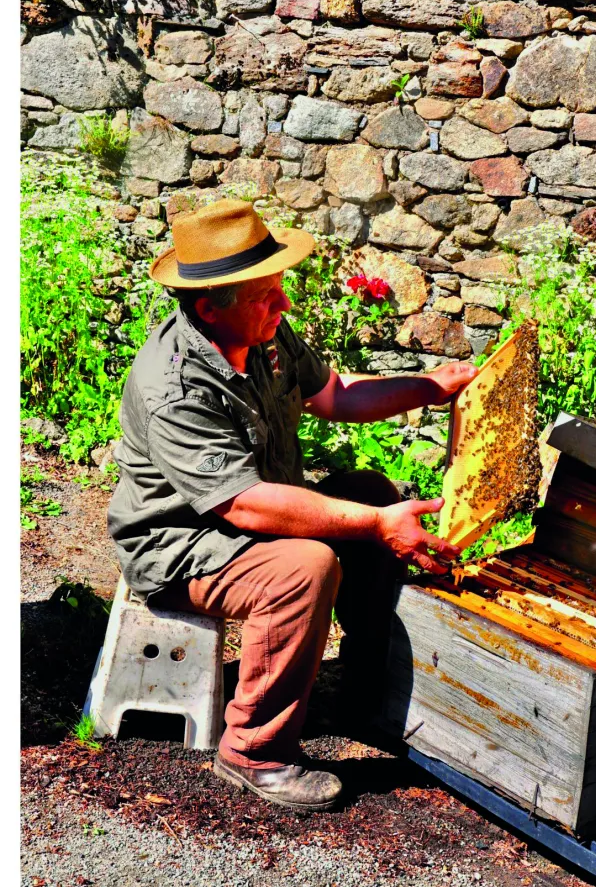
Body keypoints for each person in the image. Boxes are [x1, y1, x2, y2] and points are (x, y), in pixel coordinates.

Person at [107, 198, 477, 812]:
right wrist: (378, 528)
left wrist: (429, 386)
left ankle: (364, 691)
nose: (284, 306)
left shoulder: (264, 333)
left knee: (371, 492)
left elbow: (334, 394)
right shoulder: (172, 384)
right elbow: (245, 506)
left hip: (250, 517)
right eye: (267, 296)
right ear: (208, 307)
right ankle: (254, 751)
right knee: (305, 569)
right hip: (180, 547)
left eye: (279, 289)